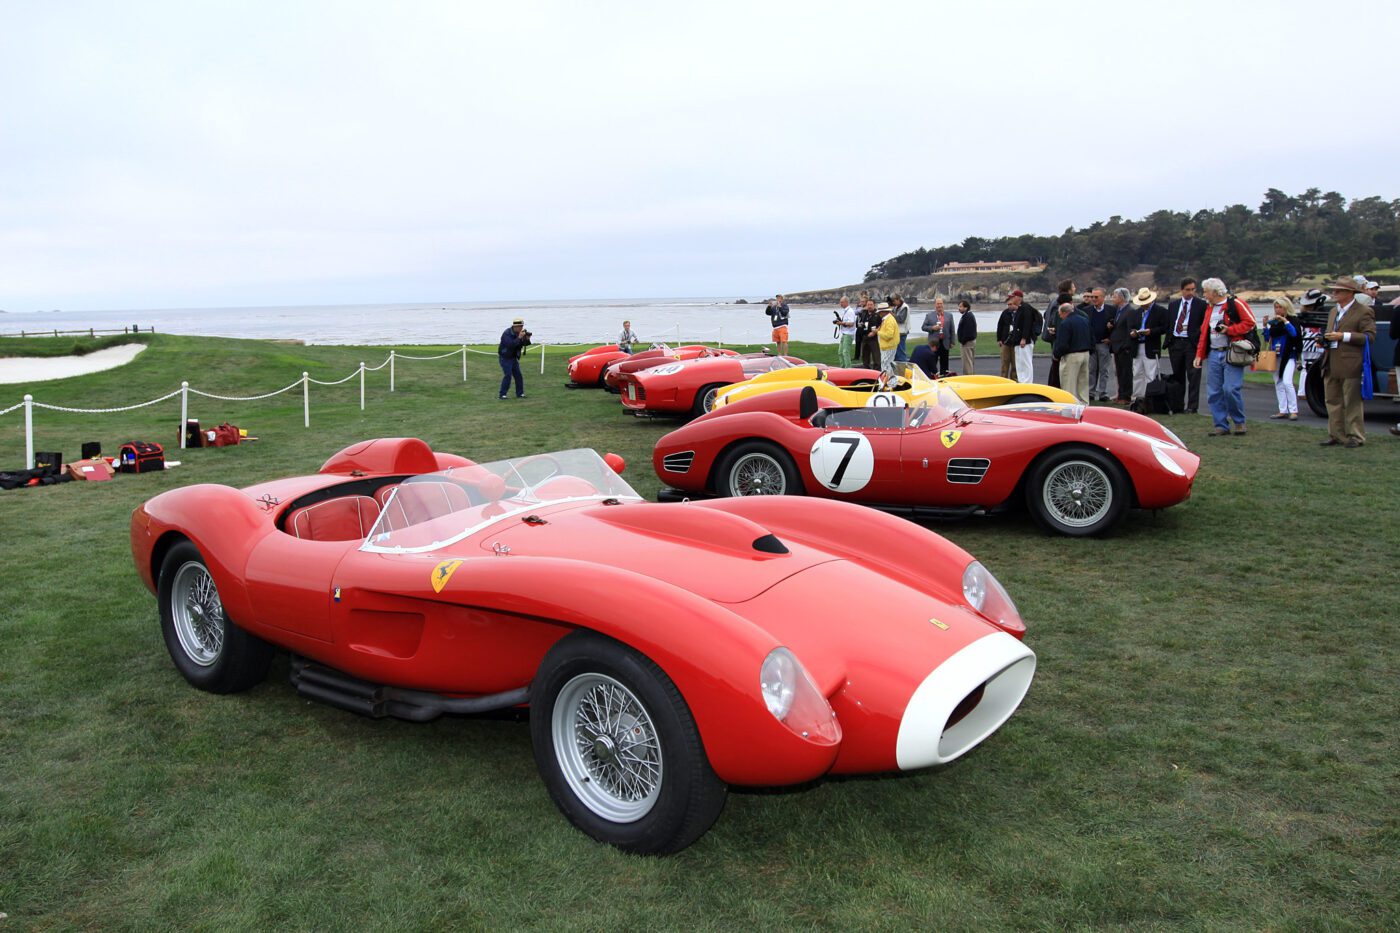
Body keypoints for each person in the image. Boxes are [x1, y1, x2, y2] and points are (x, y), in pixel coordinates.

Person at [1318, 277, 1377, 447]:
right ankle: (1336, 434)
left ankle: (1356, 436)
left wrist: (1343, 336)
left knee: (1351, 401)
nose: (1334, 293)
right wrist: (1323, 340)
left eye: (1338, 291)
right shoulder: (1333, 312)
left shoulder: (1363, 311)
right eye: (1334, 290)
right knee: (1332, 400)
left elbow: (1369, 337)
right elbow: (1331, 334)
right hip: (1331, 361)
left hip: (1351, 363)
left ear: (1350, 293)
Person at [1193, 278, 1255, 436]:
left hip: (1232, 352)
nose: (1204, 295)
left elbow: (1251, 322)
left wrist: (1230, 330)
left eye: (1206, 291)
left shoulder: (1236, 304)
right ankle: (1220, 424)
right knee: (1214, 391)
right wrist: (1199, 354)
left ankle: (1239, 422)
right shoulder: (1209, 308)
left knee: (1230, 389)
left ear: (1215, 292)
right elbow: (1204, 332)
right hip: (1214, 352)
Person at [1165, 277, 1207, 413]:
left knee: (1194, 376)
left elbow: (1204, 325)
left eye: (1193, 290)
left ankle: (1192, 406)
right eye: (1188, 290)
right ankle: (1178, 405)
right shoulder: (1173, 305)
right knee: (1178, 376)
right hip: (1176, 343)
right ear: (1181, 290)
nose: (1190, 292)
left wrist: (1196, 337)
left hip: (1191, 344)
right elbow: (1170, 322)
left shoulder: (1201, 304)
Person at [1128, 287, 1168, 406]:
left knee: (1150, 374)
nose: (1143, 305)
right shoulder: (1136, 312)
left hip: (1151, 346)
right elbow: (1131, 326)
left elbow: (1164, 328)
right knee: (1137, 373)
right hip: (1137, 345)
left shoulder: (1160, 311)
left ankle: (1150, 399)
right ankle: (1136, 398)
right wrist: (1133, 332)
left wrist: (1151, 332)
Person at [1263, 297, 1301, 420]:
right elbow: (1268, 338)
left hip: (1288, 355)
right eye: (1276, 307)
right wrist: (1265, 326)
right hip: (1276, 355)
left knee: (1287, 381)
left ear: (1286, 308)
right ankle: (1283, 409)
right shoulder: (1274, 323)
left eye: (1280, 307)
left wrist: (1285, 321)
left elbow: (1294, 334)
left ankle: (1293, 410)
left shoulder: (1292, 320)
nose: (1278, 310)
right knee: (1278, 382)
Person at [1052, 302, 1092, 404]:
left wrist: (1057, 355)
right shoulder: (1084, 320)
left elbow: (1063, 344)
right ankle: (1084, 405)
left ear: (1064, 312)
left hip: (1072, 355)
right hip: (1085, 353)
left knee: (1069, 384)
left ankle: (1070, 406)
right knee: (1083, 383)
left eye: (1060, 314)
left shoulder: (1066, 323)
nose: (1060, 316)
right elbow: (1092, 338)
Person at [1041, 279, 1075, 389]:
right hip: (1058, 338)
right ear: (1069, 289)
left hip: (1054, 337)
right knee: (1058, 364)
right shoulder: (1060, 304)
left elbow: (1045, 314)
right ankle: (1056, 388)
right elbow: (1056, 319)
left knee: (1056, 364)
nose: (1075, 288)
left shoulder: (1054, 301)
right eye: (1073, 287)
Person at [1084, 287, 1114, 402]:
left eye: (1096, 297)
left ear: (1103, 297)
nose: (1093, 299)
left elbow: (1117, 326)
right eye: (1092, 297)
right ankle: (1091, 392)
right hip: (1091, 344)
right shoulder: (1087, 311)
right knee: (1091, 370)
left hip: (1104, 344)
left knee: (1104, 370)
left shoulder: (1111, 310)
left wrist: (1110, 338)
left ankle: (1103, 392)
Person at [1108, 288, 1135, 404]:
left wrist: (1127, 346)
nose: (1112, 299)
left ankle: (1126, 396)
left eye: (1114, 296)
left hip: (1124, 347)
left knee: (1126, 372)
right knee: (1119, 372)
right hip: (1116, 346)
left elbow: (1130, 330)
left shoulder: (1129, 311)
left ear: (1121, 298)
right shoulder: (1118, 310)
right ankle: (1120, 394)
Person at [497, 318, 532, 400]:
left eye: (522, 326)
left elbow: (523, 344)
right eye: (520, 326)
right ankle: (502, 394)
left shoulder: (518, 333)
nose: (521, 328)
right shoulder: (506, 333)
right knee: (508, 375)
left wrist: (527, 339)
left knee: (518, 376)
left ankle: (520, 394)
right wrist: (519, 337)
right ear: (515, 326)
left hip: (513, 357)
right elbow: (510, 345)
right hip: (505, 358)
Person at [1010, 290, 1038, 383]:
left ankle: (1027, 381)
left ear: (1018, 298)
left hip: (1025, 341)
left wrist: (1024, 338)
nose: (1011, 299)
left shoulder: (1025, 308)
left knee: (1026, 362)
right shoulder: (1019, 308)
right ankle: (1022, 380)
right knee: (1019, 362)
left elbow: (1027, 324)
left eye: (1013, 297)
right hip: (1018, 340)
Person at [920, 297, 952, 376]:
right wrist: (932, 328)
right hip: (934, 343)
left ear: (943, 304)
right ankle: (932, 376)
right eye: (938, 304)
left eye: (941, 303)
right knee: (933, 361)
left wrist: (952, 341)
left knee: (944, 362)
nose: (939, 305)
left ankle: (944, 377)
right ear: (935, 305)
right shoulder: (929, 315)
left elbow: (952, 329)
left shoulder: (949, 315)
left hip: (945, 342)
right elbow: (923, 327)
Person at [996, 297, 1018, 379]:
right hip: (1005, 342)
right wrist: (999, 339)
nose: (1009, 306)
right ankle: (1003, 380)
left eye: (1010, 304)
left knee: (1015, 364)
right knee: (1004, 363)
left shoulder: (1019, 313)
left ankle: (1014, 380)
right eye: (1008, 304)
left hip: (1015, 342)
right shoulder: (1005, 313)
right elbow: (1000, 326)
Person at [876, 302, 900, 376]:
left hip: (889, 346)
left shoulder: (889, 320)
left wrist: (878, 332)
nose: (879, 314)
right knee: (886, 365)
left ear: (883, 312)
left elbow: (889, 335)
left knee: (886, 366)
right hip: (886, 346)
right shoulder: (886, 319)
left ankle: (888, 381)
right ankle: (888, 381)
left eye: (880, 312)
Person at [859, 298, 882, 369]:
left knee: (876, 357)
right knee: (865, 357)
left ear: (874, 305)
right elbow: (860, 323)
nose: (869, 306)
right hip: (865, 337)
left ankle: (877, 372)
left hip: (874, 338)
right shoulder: (864, 314)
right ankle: (867, 372)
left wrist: (874, 332)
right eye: (868, 304)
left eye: (871, 305)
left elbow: (882, 325)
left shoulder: (878, 314)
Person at [834, 297, 857, 368]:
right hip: (844, 333)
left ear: (846, 302)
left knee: (845, 352)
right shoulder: (845, 311)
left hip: (849, 334)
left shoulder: (850, 311)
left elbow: (851, 323)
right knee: (840, 352)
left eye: (842, 302)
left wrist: (841, 323)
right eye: (840, 302)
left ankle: (848, 368)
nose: (840, 304)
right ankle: (842, 367)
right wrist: (840, 323)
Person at [956, 299, 977, 375]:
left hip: (967, 343)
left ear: (966, 307)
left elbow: (968, 331)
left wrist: (963, 341)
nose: (959, 308)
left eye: (961, 306)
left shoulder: (968, 316)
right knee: (970, 362)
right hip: (969, 342)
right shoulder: (967, 316)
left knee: (967, 363)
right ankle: (970, 376)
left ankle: (968, 377)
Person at [892, 294, 912, 362]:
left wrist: (891, 314)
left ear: (898, 300)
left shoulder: (904, 307)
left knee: (901, 352)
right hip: (897, 332)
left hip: (902, 332)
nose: (893, 303)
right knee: (896, 352)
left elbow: (901, 319)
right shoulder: (896, 307)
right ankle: (898, 367)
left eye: (894, 301)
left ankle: (903, 367)